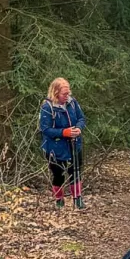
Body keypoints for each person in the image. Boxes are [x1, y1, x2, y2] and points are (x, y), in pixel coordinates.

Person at [38, 77, 85, 209]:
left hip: (74, 144)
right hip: (55, 148)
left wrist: (79, 128)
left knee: (76, 171)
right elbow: (45, 129)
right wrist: (64, 132)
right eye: (64, 94)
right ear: (56, 92)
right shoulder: (47, 107)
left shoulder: (72, 102)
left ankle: (78, 199)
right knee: (58, 174)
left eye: (68, 93)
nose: (67, 96)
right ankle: (59, 200)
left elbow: (81, 118)